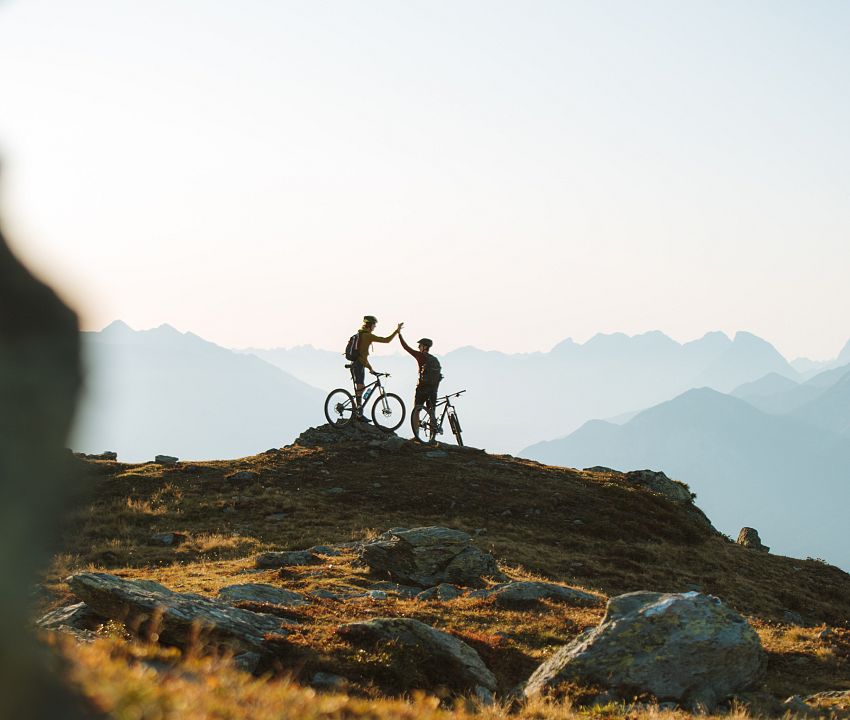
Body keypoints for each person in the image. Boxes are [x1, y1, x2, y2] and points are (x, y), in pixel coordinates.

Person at [350, 315, 402, 420]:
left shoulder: (361, 334)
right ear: (370, 325)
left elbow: (362, 355)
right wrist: (397, 331)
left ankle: (358, 411)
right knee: (360, 386)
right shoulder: (367, 336)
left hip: (357, 364)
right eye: (374, 325)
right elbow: (386, 340)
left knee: (361, 387)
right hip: (358, 365)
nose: (375, 327)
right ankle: (357, 413)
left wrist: (370, 368)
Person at [399, 331, 442, 431]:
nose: (418, 347)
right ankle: (433, 438)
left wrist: (399, 334)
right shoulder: (434, 359)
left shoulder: (420, 356)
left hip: (422, 388)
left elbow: (406, 348)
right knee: (432, 412)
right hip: (433, 389)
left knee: (416, 411)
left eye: (420, 345)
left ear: (424, 347)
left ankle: (416, 435)